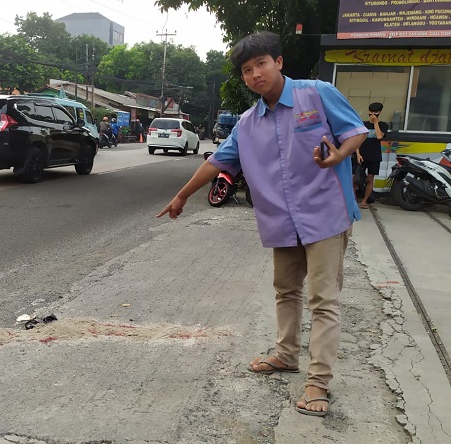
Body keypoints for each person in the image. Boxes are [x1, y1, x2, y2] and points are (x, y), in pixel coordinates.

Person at [156, 31, 367, 417]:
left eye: (262, 64)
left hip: (325, 214)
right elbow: (218, 161)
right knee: (286, 291)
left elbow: (355, 132)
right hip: (282, 221)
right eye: (247, 70)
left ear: (279, 62)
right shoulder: (248, 123)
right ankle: (286, 355)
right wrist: (183, 194)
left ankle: (319, 383)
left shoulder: (316, 94)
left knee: (324, 301)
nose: (255, 74)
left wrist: (340, 155)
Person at [355, 102, 388, 208]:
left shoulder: (383, 125)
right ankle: (354, 200)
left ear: (380, 113)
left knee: (370, 179)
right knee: (356, 179)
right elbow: (356, 141)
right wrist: (358, 154)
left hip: (374, 156)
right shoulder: (362, 124)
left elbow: (379, 136)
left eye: (376, 112)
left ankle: (364, 201)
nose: (373, 115)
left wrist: (375, 123)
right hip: (362, 155)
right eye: (371, 112)